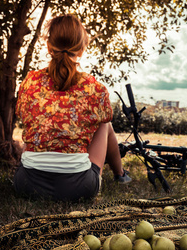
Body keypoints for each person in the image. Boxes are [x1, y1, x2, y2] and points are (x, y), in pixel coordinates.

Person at [13, 14, 131, 202]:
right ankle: (121, 175)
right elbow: (104, 118)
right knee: (104, 124)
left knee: (35, 120)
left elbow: (24, 116)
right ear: (82, 50)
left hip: (27, 184)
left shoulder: (30, 82)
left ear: (49, 47)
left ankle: (38, 166)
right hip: (79, 188)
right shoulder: (94, 88)